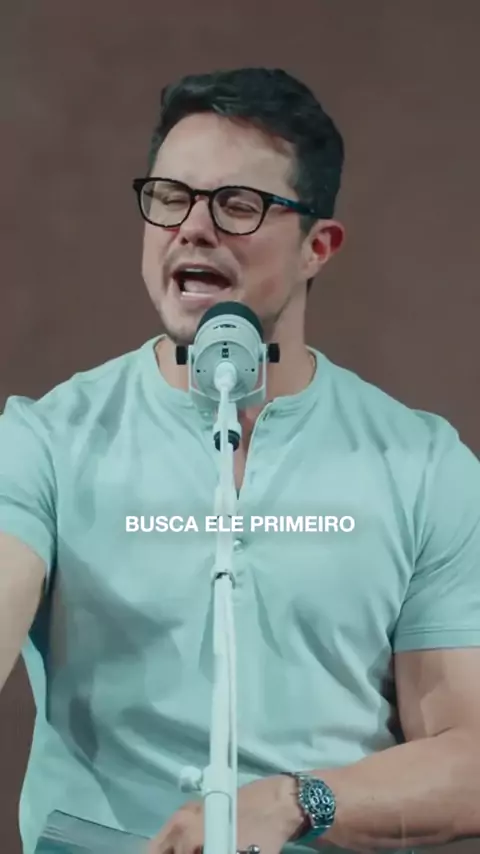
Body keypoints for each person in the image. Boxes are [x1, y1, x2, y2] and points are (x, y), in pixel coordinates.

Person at [0, 67, 480, 854]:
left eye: (237, 205)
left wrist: (300, 801)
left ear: (317, 246)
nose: (192, 228)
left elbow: (471, 761)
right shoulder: (44, 441)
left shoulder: (424, 466)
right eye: (170, 197)